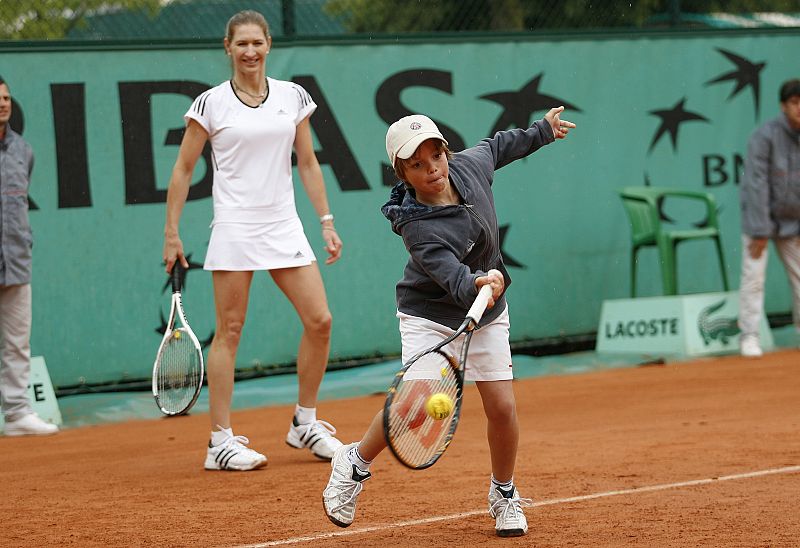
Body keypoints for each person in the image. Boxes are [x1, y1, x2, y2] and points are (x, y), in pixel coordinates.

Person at [322, 109, 575, 536]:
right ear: (403, 174)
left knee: (502, 408)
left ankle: (504, 493)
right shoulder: (417, 227)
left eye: (435, 156)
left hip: (487, 313)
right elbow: (453, 277)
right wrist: (480, 282)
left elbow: (498, 146)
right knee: (413, 409)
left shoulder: (469, 166)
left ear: (446, 152)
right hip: (430, 316)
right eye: (417, 165)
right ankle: (354, 462)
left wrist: (543, 131)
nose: (432, 170)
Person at [162, 10, 344, 470]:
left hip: (284, 224)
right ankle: (219, 442)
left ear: (268, 45)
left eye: (257, 43)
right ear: (228, 47)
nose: (250, 52)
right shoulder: (210, 104)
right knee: (230, 330)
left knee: (320, 320)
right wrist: (172, 232)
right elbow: (183, 168)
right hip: (235, 226)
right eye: (241, 44)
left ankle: (305, 422)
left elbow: (307, 162)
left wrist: (325, 221)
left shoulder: (292, 96)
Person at [0, 76, 58, 436]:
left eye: (6, 98)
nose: (2, 103)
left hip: (16, 262)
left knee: (17, 344)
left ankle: (17, 414)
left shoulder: (24, 151)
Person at [739, 78, 800, 358]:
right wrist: (761, 231)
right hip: (759, 221)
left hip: (793, 222)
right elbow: (756, 184)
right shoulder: (764, 136)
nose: (799, 108)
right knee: (754, 279)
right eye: (794, 102)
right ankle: (749, 336)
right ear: (783, 106)